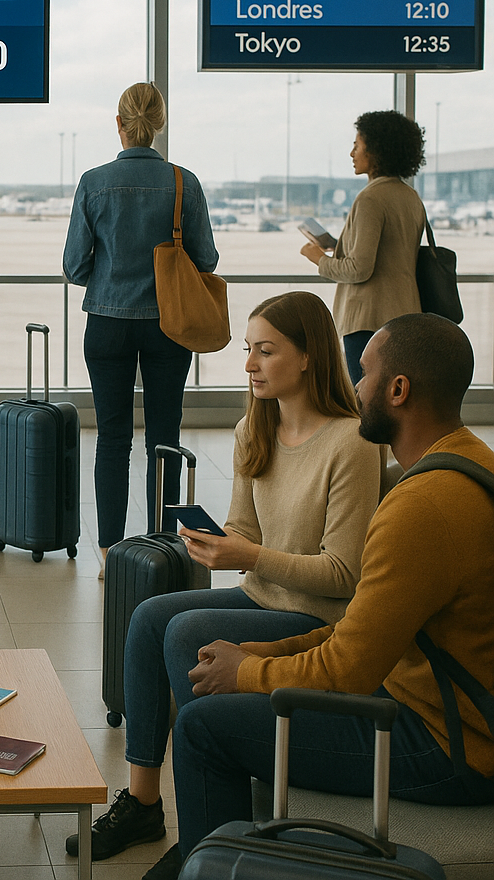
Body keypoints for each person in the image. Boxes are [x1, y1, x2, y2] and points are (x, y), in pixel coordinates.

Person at [144, 313, 494, 880]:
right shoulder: (474, 465)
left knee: (202, 727)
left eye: (366, 374)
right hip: (448, 709)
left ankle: (204, 862)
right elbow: (362, 628)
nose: (357, 388)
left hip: (449, 747)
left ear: (398, 390)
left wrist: (247, 674)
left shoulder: (419, 507)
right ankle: (208, 856)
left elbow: (349, 667)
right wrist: (258, 656)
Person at [65, 291, 381, 865]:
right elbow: (243, 530)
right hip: (263, 593)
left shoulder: (350, 442)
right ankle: (142, 800)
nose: (250, 365)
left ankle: (211, 822)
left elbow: (344, 573)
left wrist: (250, 556)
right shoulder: (254, 428)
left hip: (318, 614)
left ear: (309, 355)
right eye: (248, 351)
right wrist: (215, 542)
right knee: (148, 617)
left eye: (265, 351)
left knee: (187, 632)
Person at [63, 82, 219, 577]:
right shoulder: (183, 182)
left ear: (119, 123)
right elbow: (208, 258)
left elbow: (72, 265)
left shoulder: (93, 181)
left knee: (112, 438)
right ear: (160, 124)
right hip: (168, 325)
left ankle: (111, 551)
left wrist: (108, 279)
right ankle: (161, 546)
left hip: (106, 323)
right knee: (164, 436)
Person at [300, 109, 426, 386]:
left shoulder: (371, 198)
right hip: (404, 313)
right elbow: (392, 254)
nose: (352, 153)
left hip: (367, 320)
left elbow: (359, 269)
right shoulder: (409, 195)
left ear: (376, 150)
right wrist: (337, 246)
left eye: (357, 145)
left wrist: (319, 258)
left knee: (367, 401)